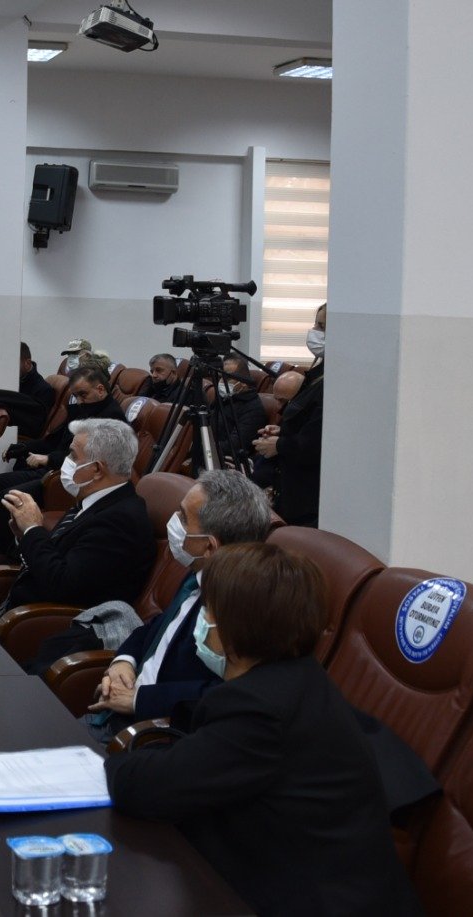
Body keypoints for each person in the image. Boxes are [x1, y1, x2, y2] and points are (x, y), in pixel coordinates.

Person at [104, 543, 421, 916]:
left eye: (208, 610)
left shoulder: (259, 710)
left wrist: (112, 765)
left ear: (234, 627)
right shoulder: (297, 678)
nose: (201, 620)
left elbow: (148, 788)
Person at [73, 470, 273, 739]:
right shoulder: (197, 573)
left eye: (183, 517)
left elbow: (229, 693)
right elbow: (160, 626)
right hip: (115, 711)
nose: (173, 521)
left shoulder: (238, 607)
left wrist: (139, 700)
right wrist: (124, 661)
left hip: (150, 733)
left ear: (210, 547)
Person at [0, 419, 154, 617]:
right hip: (18, 607)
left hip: (39, 621)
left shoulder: (120, 522)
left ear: (97, 469)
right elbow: (54, 557)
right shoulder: (94, 500)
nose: (66, 461)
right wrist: (24, 535)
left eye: (73, 455)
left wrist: (33, 530)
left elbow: (60, 584)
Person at [0, 365, 126, 559]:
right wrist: (25, 447)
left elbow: (91, 460)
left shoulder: (112, 419)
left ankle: (12, 557)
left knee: (9, 497)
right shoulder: (82, 409)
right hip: (53, 469)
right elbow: (53, 441)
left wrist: (48, 458)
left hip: (66, 478)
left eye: (83, 395)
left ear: (100, 389)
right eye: (76, 396)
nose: (79, 400)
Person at [253, 303, 325, 526]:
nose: (315, 331)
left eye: (322, 327)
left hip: (306, 495)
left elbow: (316, 440)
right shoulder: (317, 373)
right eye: (316, 324)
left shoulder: (332, 382)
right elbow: (307, 425)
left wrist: (279, 444)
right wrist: (283, 431)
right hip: (289, 485)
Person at [190, 355, 266, 469]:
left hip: (225, 461)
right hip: (208, 453)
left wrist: (199, 447)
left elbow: (234, 445)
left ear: (244, 381)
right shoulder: (224, 398)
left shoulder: (253, 408)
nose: (222, 382)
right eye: (221, 377)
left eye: (228, 378)